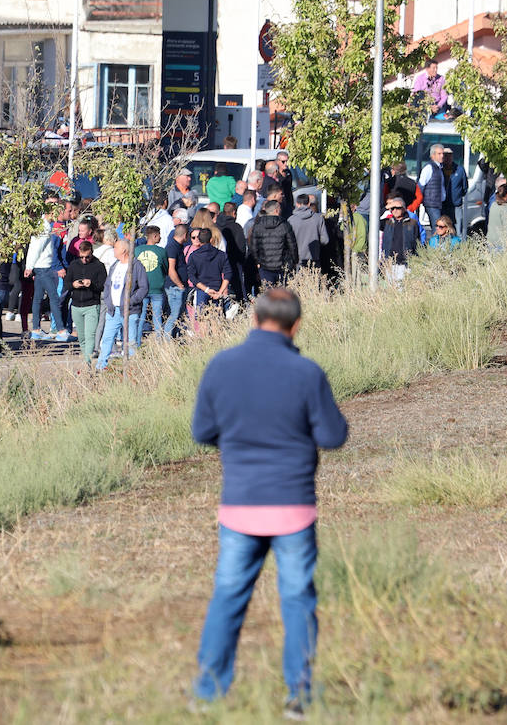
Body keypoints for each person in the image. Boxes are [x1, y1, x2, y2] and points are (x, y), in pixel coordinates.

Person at [190, 288, 347, 717]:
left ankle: (208, 692)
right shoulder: (306, 372)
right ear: (296, 325)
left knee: (228, 596)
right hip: (293, 506)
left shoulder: (221, 367)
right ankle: (300, 693)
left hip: (240, 504)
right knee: (297, 599)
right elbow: (333, 436)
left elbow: (202, 432)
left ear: (255, 319)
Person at [95, 238, 147, 371]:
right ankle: (100, 367)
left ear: (124, 250)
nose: (113, 250)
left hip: (130, 311)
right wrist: (108, 300)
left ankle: (132, 369)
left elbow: (143, 288)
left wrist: (130, 301)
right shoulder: (115, 265)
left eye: (116, 248)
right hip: (113, 311)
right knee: (107, 339)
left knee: (130, 341)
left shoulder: (136, 266)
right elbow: (108, 285)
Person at [64, 238, 108, 367]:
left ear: (91, 253)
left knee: (90, 336)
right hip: (76, 305)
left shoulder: (98, 265)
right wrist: (73, 284)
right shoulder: (74, 265)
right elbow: (66, 284)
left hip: (92, 305)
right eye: (82, 257)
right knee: (82, 337)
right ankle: (86, 360)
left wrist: (92, 284)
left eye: (87, 257)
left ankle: (87, 363)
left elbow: (103, 285)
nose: (84, 260)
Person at [25, 219, 68, 341]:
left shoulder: (40, 226)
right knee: (54, 298)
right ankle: (61, 330)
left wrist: (30, 266)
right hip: (44, 268)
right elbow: (36, 248)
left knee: (37, 298)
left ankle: (36, 329)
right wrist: (29, 267)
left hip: (40, 267)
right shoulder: (44, 227)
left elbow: (33, 248)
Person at [247, 200, 298, 287]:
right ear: (277, 210)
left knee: (269, 294)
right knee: (283, 293)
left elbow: (254, 247)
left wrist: (258, 261)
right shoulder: (284, 225)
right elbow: (292, 245)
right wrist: (294, 260)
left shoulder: (258, 225)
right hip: (283, 265)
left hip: (265, 265)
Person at [186, 227, 231, 323]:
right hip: (217, 289)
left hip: (201, 290)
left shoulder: (194, 256)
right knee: (215, 319)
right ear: (211, 239)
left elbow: (192, 277)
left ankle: (204, 338)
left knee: (202, 320)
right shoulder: (221, 255)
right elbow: (228, 274)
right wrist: (220, 292)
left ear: (199, 239)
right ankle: (215, 338)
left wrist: (206, 289)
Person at [134, 226, 168, 337]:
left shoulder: (137, 250)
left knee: (140, 318)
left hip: (141, 288)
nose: (160, 237)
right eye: (159, 235)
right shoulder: (161, 251)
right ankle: (159, 342)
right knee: (157, 318)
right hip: (157, 288)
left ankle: (136, 344)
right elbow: (166, 268)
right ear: (154, 236)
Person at [380, 195, 420, 281]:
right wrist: (386, 208)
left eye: (397, 208)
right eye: (392, 208)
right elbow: (373, 221)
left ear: (404, 209)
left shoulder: (412, 223)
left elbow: (417, 242)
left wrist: (415, 260)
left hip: (406, 264)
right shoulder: (387, 222)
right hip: (390, 263)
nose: (395, 210)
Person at [288, 194, 329, 271]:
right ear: (309, 204)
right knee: (314, 281)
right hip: (314, 258)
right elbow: (325, 240)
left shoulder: (291, 220)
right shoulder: (318, 218)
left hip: (298, 260)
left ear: (297, 204)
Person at [417, 144, 447, 230]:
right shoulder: (429, 168)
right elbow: (421, 185)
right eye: (439, 153)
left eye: (443, 153)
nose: (442, 156)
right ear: (432, 155)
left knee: (442, 228)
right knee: (437, 228)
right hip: (432, 203)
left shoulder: (439, 168)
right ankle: (435, 243)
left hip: (439, 203)